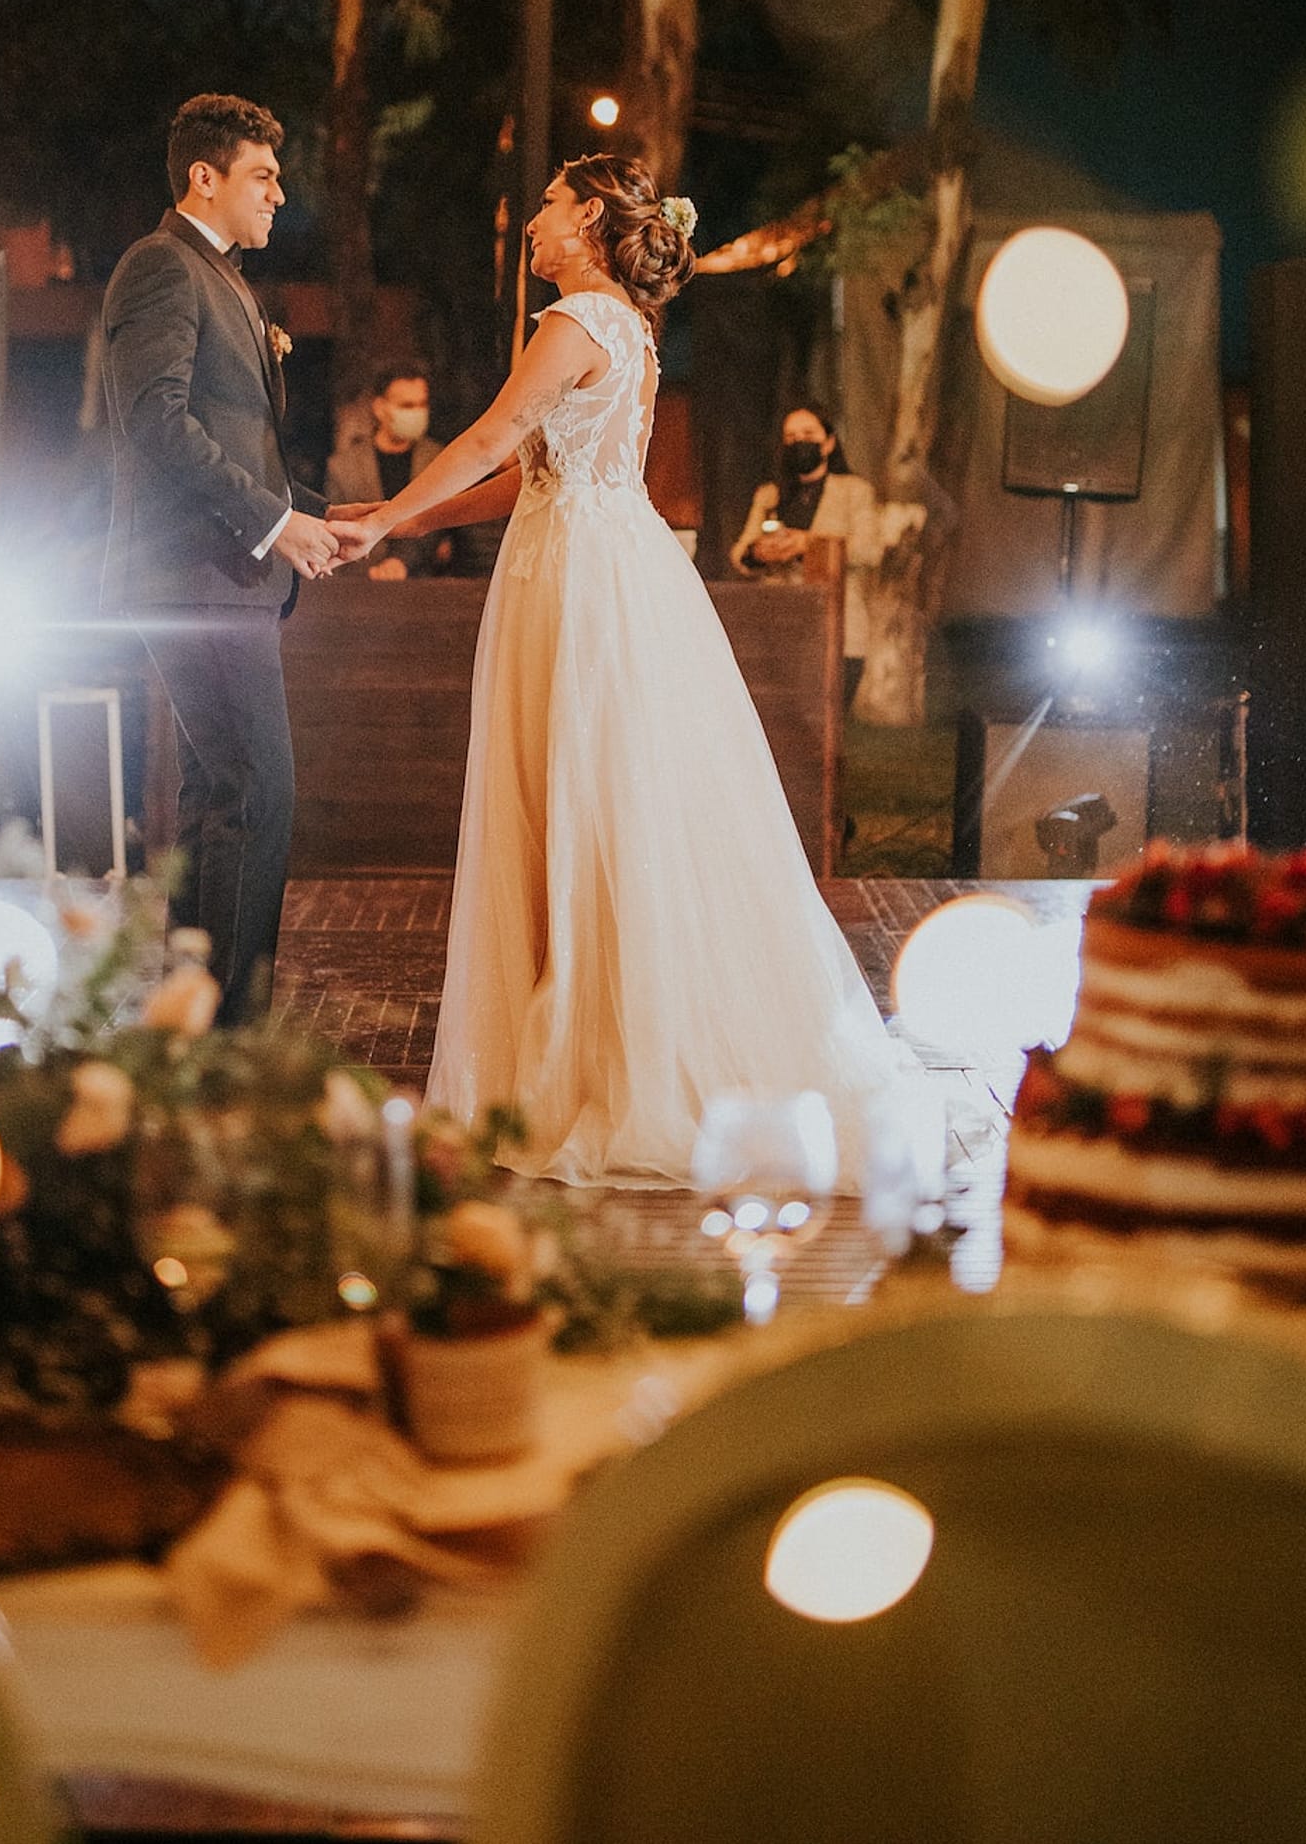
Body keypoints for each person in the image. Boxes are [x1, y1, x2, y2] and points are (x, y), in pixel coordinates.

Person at [331, 154, 904, 1187]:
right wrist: (398, 523)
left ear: (589, 216)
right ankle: (593, 1029)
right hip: (597, 562)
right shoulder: (625, 330)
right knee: (600, 800)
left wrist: (385, 512)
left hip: (578, 586)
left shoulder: (576, 322)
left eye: (549, 205)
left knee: (579, 797)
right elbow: (522, 478)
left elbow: (494, 435)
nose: (534, 223)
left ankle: (599, 1055)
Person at [101, 92, 340, 1024]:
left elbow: (242, 446)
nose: (280, 195)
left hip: (221, 577)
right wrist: (275, 526)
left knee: (218, 799)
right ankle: (236, 1034)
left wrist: (327, 514)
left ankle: (193, 1020)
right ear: (207, 177)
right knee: (257, 796)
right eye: (264, 176)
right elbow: (155, 421)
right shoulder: (162, 267)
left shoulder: (223, 276)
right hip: (194, 577)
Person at [730, 407, 921, 703]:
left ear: (829, 442)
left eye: (808, 434)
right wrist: (760, 551)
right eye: (791, 437)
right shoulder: (770, 495)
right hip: (778, 627)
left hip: (837, 628)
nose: (799, 442)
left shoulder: (854, 491)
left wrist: (808, 544)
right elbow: (741, 553)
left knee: (825, 722)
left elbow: (868, 550)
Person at [324, 364, 447, 580]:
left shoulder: (439, 458)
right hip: (361, 584)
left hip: (426, 583)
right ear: (380, 408)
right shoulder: (344, 466)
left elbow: (440, 521)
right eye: (407, 405)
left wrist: (402, 562)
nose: (417, 412)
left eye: (422, 404)